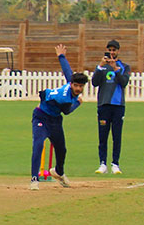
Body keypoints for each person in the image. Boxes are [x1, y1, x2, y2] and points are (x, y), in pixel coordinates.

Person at [29, 44, 88, 190]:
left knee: (62, 149)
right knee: (38, 144)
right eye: (76, 86)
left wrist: (61, 56)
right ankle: (34, 179)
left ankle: (58, 172)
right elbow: (67, 111)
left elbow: (67, 72)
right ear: (72, 85)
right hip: (41, 116)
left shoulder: (71, 84)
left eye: (81, 86)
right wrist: (78, 104)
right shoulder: (65, 98)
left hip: (55, 120)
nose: (78, 89)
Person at [91, 39, 130, 174]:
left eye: (114, 50)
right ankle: (103, 164)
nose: (112, 53)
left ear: (118, 51)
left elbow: (124, 82)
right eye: (110, 50)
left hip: (118, 105)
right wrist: (99, 67)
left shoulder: (124, 66)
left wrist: (116, 69)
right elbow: (95, 83)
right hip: (104, 105)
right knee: (103, 136)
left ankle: (115, 164)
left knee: (116, 136)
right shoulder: (102, 67)